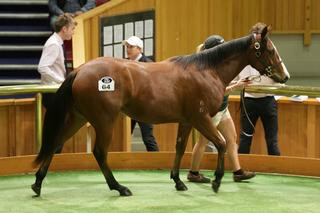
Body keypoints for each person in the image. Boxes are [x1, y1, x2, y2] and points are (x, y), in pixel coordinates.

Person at [187, 35, 256, 183]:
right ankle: (193, 172)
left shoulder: (220, 63)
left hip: (222, 108)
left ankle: (238, 172)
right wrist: (236, 86)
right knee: (202, 142)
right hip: (211, 110)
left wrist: (236, 83)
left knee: (231, 138)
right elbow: (214, 92)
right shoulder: (206, 67)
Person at [237, 23, 281, 156]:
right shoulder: (249, 51)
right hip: (251, 99)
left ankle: (242, 169)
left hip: (264, 99)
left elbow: (281, 74)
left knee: (270, 140)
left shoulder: (270, 49)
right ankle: (241, 169)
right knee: (247, 139)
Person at [122, 36, 159, 152]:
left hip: (145, 107)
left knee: (147, 138)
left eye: (131, 47)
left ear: (140, 49)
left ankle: (158, 163)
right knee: (124, 137)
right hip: (128, 106)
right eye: (127, 47)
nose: (128, 49)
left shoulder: (149, 64)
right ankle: (120, 163)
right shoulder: (123, 63)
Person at [38, 14, 77, 109]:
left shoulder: (58, 42)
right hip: (52, 92)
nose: (73, 32)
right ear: (64, 29)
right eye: (72, 29)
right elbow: (42, 68)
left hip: (56, 90)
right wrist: (61, 81)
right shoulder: (54, 44)